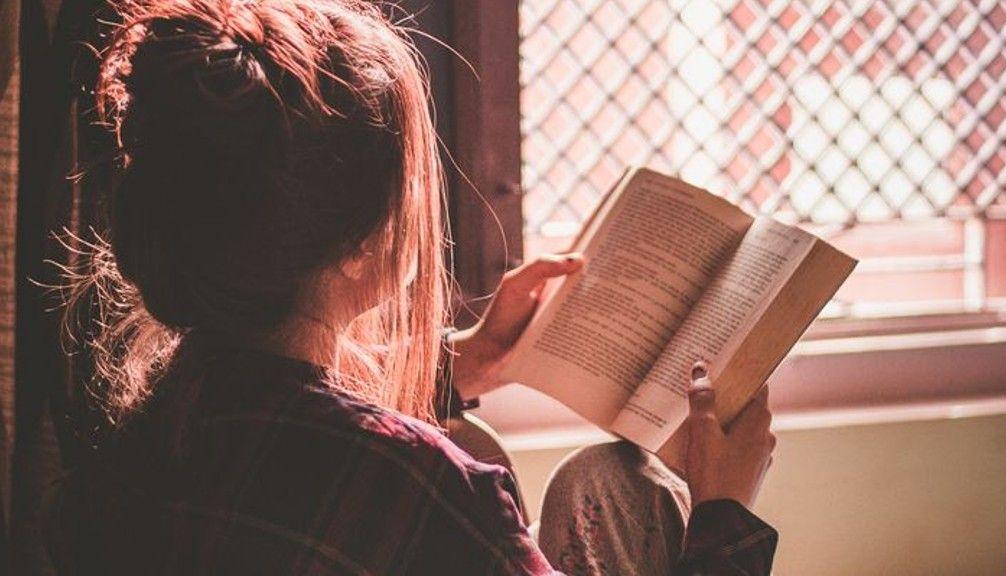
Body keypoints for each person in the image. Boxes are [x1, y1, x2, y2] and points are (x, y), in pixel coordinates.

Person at [46, 0, 777, 574]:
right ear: (358, 247)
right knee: (623, 484)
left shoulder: (131, 436)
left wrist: (468, 360)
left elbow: (284, 412)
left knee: (575, 469)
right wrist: (725, 510)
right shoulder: (430, 488)